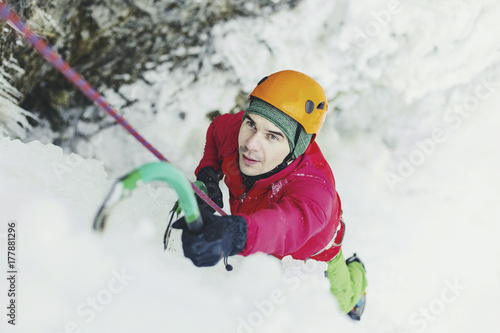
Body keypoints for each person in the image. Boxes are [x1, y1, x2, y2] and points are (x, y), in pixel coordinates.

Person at [173, 70, 368, 320]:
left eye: (273, 136)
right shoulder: (236, 132)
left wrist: (233, 234)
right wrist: (209, 176)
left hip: (312, 250)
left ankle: (358, 276)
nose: (251, 144)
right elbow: (217, 131)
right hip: (252, 226)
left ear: (296, 148)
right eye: (251, 123)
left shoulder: (315, 190)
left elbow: (283, 226)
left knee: (340, 301)